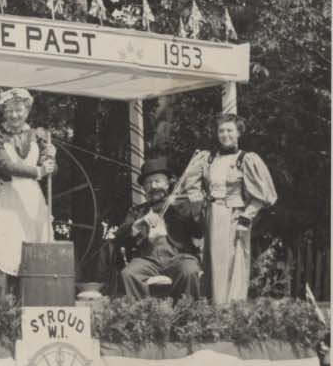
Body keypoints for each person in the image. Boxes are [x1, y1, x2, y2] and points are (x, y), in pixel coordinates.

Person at [0, 88, 56, 292]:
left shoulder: (38, 136)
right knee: (6, 249)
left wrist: (51, 159)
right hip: (8, 198)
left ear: (27, 111)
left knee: (34, 246)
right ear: (3, 112)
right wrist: (38, 171)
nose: (14, 115)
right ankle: (2, 301)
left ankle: (34, 297)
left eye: (19, 110)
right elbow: (4, 166)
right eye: (9, 111)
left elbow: (50, 169)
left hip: (33, 199)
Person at [193, 113, 277, 303]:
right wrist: (197, 195)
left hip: (234, 217)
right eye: (221, 131)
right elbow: (191, 185)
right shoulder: (208, 159)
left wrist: (246, 218)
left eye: (230, 130)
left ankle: (228, 309)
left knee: (233, 262)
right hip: (211, 216)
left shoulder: (246, 159)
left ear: (239, 132)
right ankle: (212, 308)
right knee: (212, 263)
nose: (225, 135)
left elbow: (261, 196)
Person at [114, 156, 204, 299]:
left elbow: (198, 233)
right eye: (148, 183)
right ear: (144, 188)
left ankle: (186, 310)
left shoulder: (180, 207)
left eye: (157, 181)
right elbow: (119, 238)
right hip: (147, 260)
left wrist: (197, 210)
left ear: (168, 184)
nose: (153, 186)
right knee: (128, 274)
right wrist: (136, 226)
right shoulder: (137, 211)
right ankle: (142, 310)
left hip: (178, 257)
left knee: (190, 270)